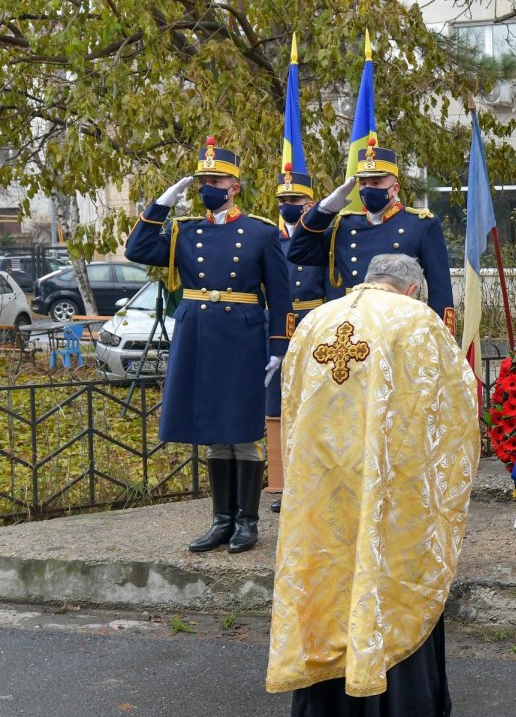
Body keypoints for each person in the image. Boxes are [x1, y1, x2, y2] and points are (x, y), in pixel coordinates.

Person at [265, 253, 479, 717]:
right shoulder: (416, 321)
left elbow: (289, 414)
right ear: (411, 289)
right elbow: (451, 407)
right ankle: (400, 715)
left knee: (326, 585)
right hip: (390, 491)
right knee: (386, 580)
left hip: (322, 498)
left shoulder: (316, 320)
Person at [125, 137, 291, 554]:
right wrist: (162, 204)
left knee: (243, 431)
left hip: (242, 338)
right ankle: (221, 521)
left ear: (234, 185)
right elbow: (137, 248)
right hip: (199, 336)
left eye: (215, 179)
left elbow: (281, 295)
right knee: (216, 432)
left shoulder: (260, 232)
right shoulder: (185, 231)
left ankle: (247, 523)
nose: (207, 187)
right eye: (202, 181)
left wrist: (278, 347)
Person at [288, 139, 453, 320]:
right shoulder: (345, 225)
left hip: (397, 321)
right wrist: (324, 210)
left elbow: (440, 289)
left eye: (376, 183)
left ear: (395, 188)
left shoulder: (420, 224)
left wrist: (441, 336)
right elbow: (298, 252)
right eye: (364, 183)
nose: (368, 189)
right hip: (351, 322)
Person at [266, 164, 328, 514]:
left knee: (316, 407)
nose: (288, 204)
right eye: (283, 199)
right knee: (284, 408)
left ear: (310, 202)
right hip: (279, 329)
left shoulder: (323, 236)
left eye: (296, 199)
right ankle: (288, 484)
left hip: (316, 322)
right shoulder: (268, 239)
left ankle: (317, 483)